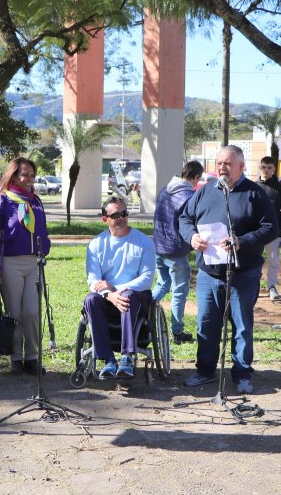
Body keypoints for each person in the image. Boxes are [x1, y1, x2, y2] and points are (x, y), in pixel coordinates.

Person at [179, 146, 278, 393]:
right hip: (208, 274)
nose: (222, 168)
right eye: (219, 163)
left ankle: (242, 375)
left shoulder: (255, 194)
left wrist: (241, 240)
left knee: (242, 326)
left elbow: (271, 229)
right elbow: (184, 218)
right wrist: (192, 238)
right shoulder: (204, 192)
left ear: (241, 167)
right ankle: (205, 371)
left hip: (242, 273)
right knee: (206, 324)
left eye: (228, 164)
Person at [0, 157, 50, 376]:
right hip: (10, 263)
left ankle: (32, 356)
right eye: (24, 174)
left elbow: (43, 230)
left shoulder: (36, 201)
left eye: (32, 175)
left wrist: (45, 247)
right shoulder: (2, 201)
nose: (29, 178)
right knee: (15, 313)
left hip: (34, 263)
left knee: (31, 311)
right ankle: (16, 359)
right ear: (13, 175)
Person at [83, 197, 156, 379]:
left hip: (136, 297)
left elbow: (146, 279)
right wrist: (109, 295)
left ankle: (127, 357)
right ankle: (108, 359)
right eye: (116, 215)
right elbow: (93, 279)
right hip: (108, 298)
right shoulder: (96, 244)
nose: (122, 218)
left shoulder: (144, 242)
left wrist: (116, 289)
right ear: (105, 219)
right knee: (90, 299)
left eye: (124, 213)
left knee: (128, 295)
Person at [151, 160, 203, 344]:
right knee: (179, 292)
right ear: (196, 177)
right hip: (176, 250)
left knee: (163, 283)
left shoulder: (165, 189)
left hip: (158, 246)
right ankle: (177, 332)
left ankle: (143, 313)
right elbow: (191, 223)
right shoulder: (189, 195)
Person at [256, 157, 281, 300]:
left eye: (269, 167)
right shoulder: (253, 187)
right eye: (264, 167)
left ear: (274, 169)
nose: (266, 170)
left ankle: (271, 287)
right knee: (254, 260)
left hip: (273, 233)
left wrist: (279, 228)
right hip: (255, 232)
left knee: (273, 261)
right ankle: (253, 286)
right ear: (260, 168)